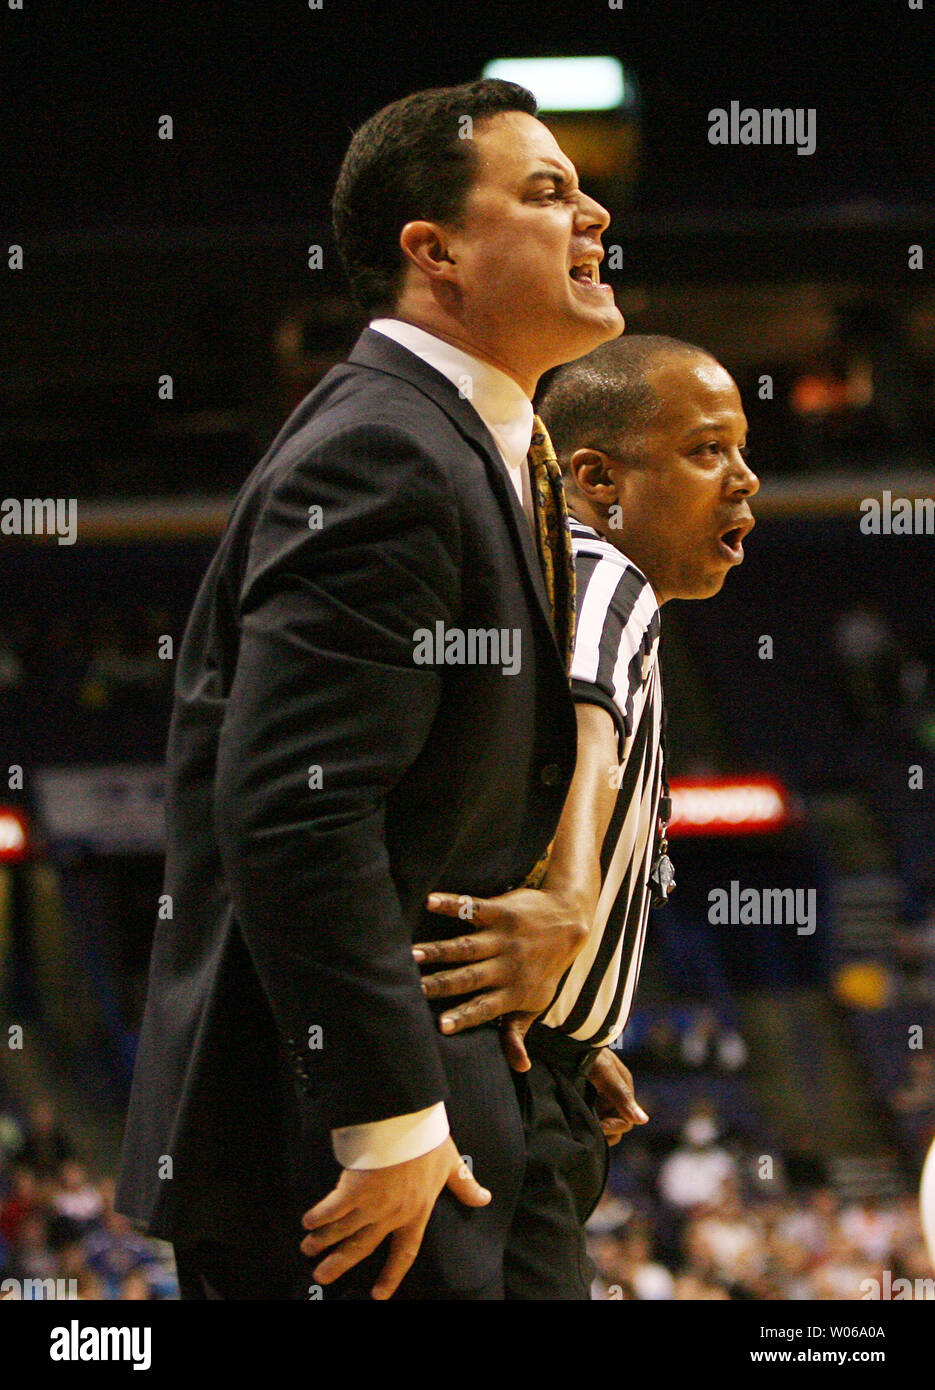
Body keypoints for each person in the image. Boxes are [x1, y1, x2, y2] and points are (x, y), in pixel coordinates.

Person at [115, 77, 624, 1301]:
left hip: (453, 1108)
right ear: (433, 252)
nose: (593, 213)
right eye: (546, 191)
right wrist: (386, 1118)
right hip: (355, 1149)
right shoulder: (382, 449)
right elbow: (296, 803)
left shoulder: (478, 443)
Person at [415, 334, 759, 1295]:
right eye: (706, 450)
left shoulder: (549, 572)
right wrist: (567, 906)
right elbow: (588, 724)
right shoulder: (598, 570)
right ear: (596, 476)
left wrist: (587, 1030)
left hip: (538, 1057)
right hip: (505, 1074)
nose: (745, 479)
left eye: (740, 450)